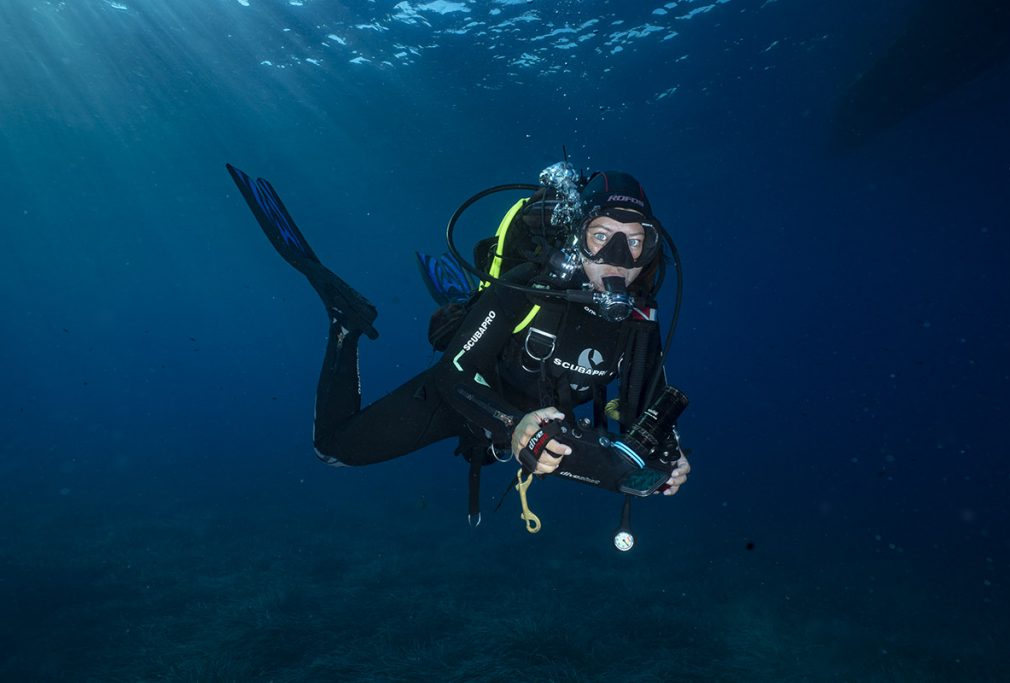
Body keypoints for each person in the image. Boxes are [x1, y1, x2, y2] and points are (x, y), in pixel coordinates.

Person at [227, 163, 691, 522]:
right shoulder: (528, 285)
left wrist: (668, 455)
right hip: (467, 392)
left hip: (534, 421)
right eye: (601, 236)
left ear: (650, 249)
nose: (617, 258)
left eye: (635, 241)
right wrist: (513, 425)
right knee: (333, 450)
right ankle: (346, 322)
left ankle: (467, 312)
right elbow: (453, 374)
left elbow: (646, 411)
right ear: (577, 237)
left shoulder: (640, 318)